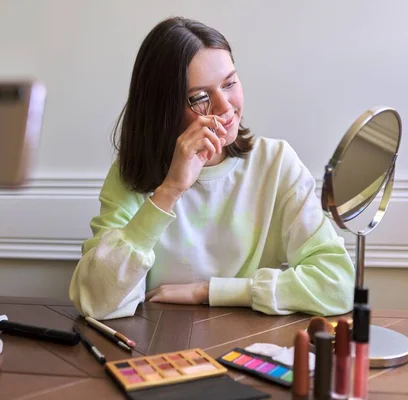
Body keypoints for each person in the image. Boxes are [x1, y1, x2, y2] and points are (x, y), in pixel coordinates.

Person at [69, 16, 355, 320]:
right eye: (200, 97)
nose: (224, 106)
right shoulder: (129, 177)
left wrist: (209, 292)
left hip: (249, 345)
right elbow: (95, 301)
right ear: (163, 109)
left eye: (230, 83)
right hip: (156, 347)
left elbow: (338, 284)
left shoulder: (276, 163)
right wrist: (169, 191)